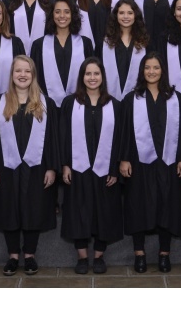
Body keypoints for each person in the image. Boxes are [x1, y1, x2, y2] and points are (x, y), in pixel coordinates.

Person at [0, 55, 59, 276]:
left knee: (34, 209)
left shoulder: (46, 104)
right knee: (9, 208)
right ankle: (12, 256)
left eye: (27, 71)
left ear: (33, 75)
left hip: (37, 167)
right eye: (18, 71)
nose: (23, 75)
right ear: (12, 74)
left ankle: (29, 256)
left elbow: (53, 138)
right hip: (6, 166)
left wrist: (52, 168)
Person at [119, 52, 181, 273]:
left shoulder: (177, 98)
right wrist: (124, 158)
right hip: (139, 163)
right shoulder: (131, 99)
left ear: (163, 70)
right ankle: (139, 253)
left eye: (156, 68)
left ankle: (164, 253)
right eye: (147, 68)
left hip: (169, 162)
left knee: (168, 205)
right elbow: (124, 132)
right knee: (138, 205)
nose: (151, 72)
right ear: (142, 71)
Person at [60, 57, 123, 274]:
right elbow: (63, 136)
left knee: (104, 212)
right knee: (78, 212)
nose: (92, 78)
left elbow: (120, 139)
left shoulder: (115, 105)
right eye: (88, 74)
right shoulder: (70, 104)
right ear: (82, 77)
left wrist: (114, 169)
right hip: (78, 169)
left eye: (96, 73)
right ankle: (82, 257)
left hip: (106, 171)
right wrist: (65, 165)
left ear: (103, 77)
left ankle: (98, 256)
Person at [30, 0, 93, 104]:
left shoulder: (85, 44)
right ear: (52, 15)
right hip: (47, 104)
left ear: (73, 15)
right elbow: (35, 78)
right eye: (57, 12)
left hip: (79, 103)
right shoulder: (39, 45)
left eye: (67, 12)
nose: (62, 16)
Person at [101, 0, 149, 100]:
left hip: (138, 98)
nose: (126, 16)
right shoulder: (106, 42)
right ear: (116, 15)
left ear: (136, 15)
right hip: (110, 97)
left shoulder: (144, 42)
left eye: (130, 13)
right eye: (121, 13)